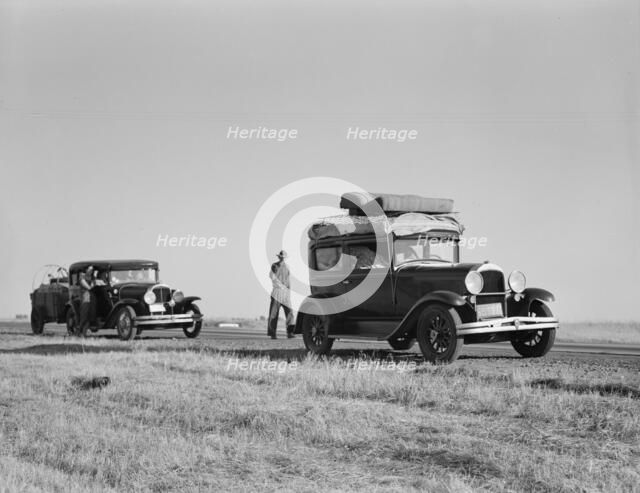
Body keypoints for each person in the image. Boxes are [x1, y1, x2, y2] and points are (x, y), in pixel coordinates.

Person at [267, 250, 294, 339]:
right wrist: (281, 286)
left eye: (283, 257)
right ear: (279, 257)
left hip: (285, 293)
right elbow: (272, 277)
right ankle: (272, 333)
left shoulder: (288, 267)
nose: (282, 258)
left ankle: (290, 333)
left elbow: (288, 280)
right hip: (277, 291)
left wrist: (288, 291)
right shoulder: (274, 265)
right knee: (273, 314)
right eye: (281, 257)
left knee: (289, 312)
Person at [78, 265, 94, 336]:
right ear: (86, 270)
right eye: (90, 270)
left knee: (89, 315)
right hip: (85, 295)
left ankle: (84, 334)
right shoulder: (82, 276)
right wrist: (90, 287)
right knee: (84, 315)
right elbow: (84, 284)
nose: (91, 271)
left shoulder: (92, 277)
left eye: (92, 270)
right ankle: (80, 331)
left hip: (92, 296)